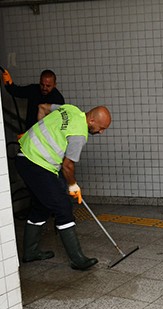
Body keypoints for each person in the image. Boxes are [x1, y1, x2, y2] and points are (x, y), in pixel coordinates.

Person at [15, 103, 112, 270]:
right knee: (63, 207)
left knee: (42, 206)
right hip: (37, 163)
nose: (101, 132)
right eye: (101, 128)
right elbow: (67, 166)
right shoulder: (79, 134)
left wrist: (40, 135)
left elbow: (42, 107)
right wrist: (73, 185)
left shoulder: (71, 109)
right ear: (91, 120)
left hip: (25, 157)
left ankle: (30, 252)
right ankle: (77, 259)